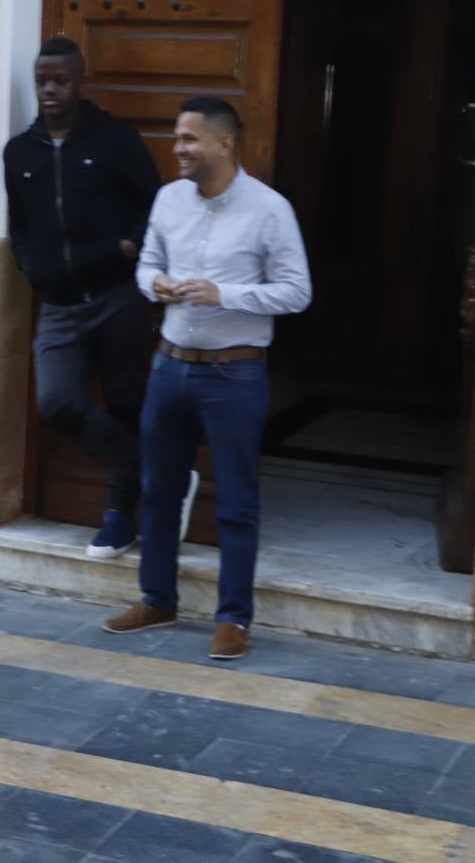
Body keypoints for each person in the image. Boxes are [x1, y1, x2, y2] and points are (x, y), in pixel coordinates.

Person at [102, 97, 311, 661]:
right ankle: (157, 598)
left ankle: (234, 618)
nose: (179, 150)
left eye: (189, 139)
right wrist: (159, 285)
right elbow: (146, 266)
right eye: (177, 139)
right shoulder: (169, 200)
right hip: (169, 367)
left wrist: (227, 294)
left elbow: (298, 290)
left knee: (237, 500)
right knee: (159, 490)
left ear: (224, 144)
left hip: (236, 373)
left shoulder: (269, 209)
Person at [2, 35, 163, 558]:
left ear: (79, 81)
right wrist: (32, 266)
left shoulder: (114, 139)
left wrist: (128, 245)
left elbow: (155, 204)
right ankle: (149, 468)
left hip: (118, 296)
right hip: (59, 305)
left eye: (61, 80)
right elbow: (20, 225)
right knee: (56, 400)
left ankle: (120, 516)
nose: (51, 90)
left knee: (123, 402)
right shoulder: (20, 151)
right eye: (43, 81)